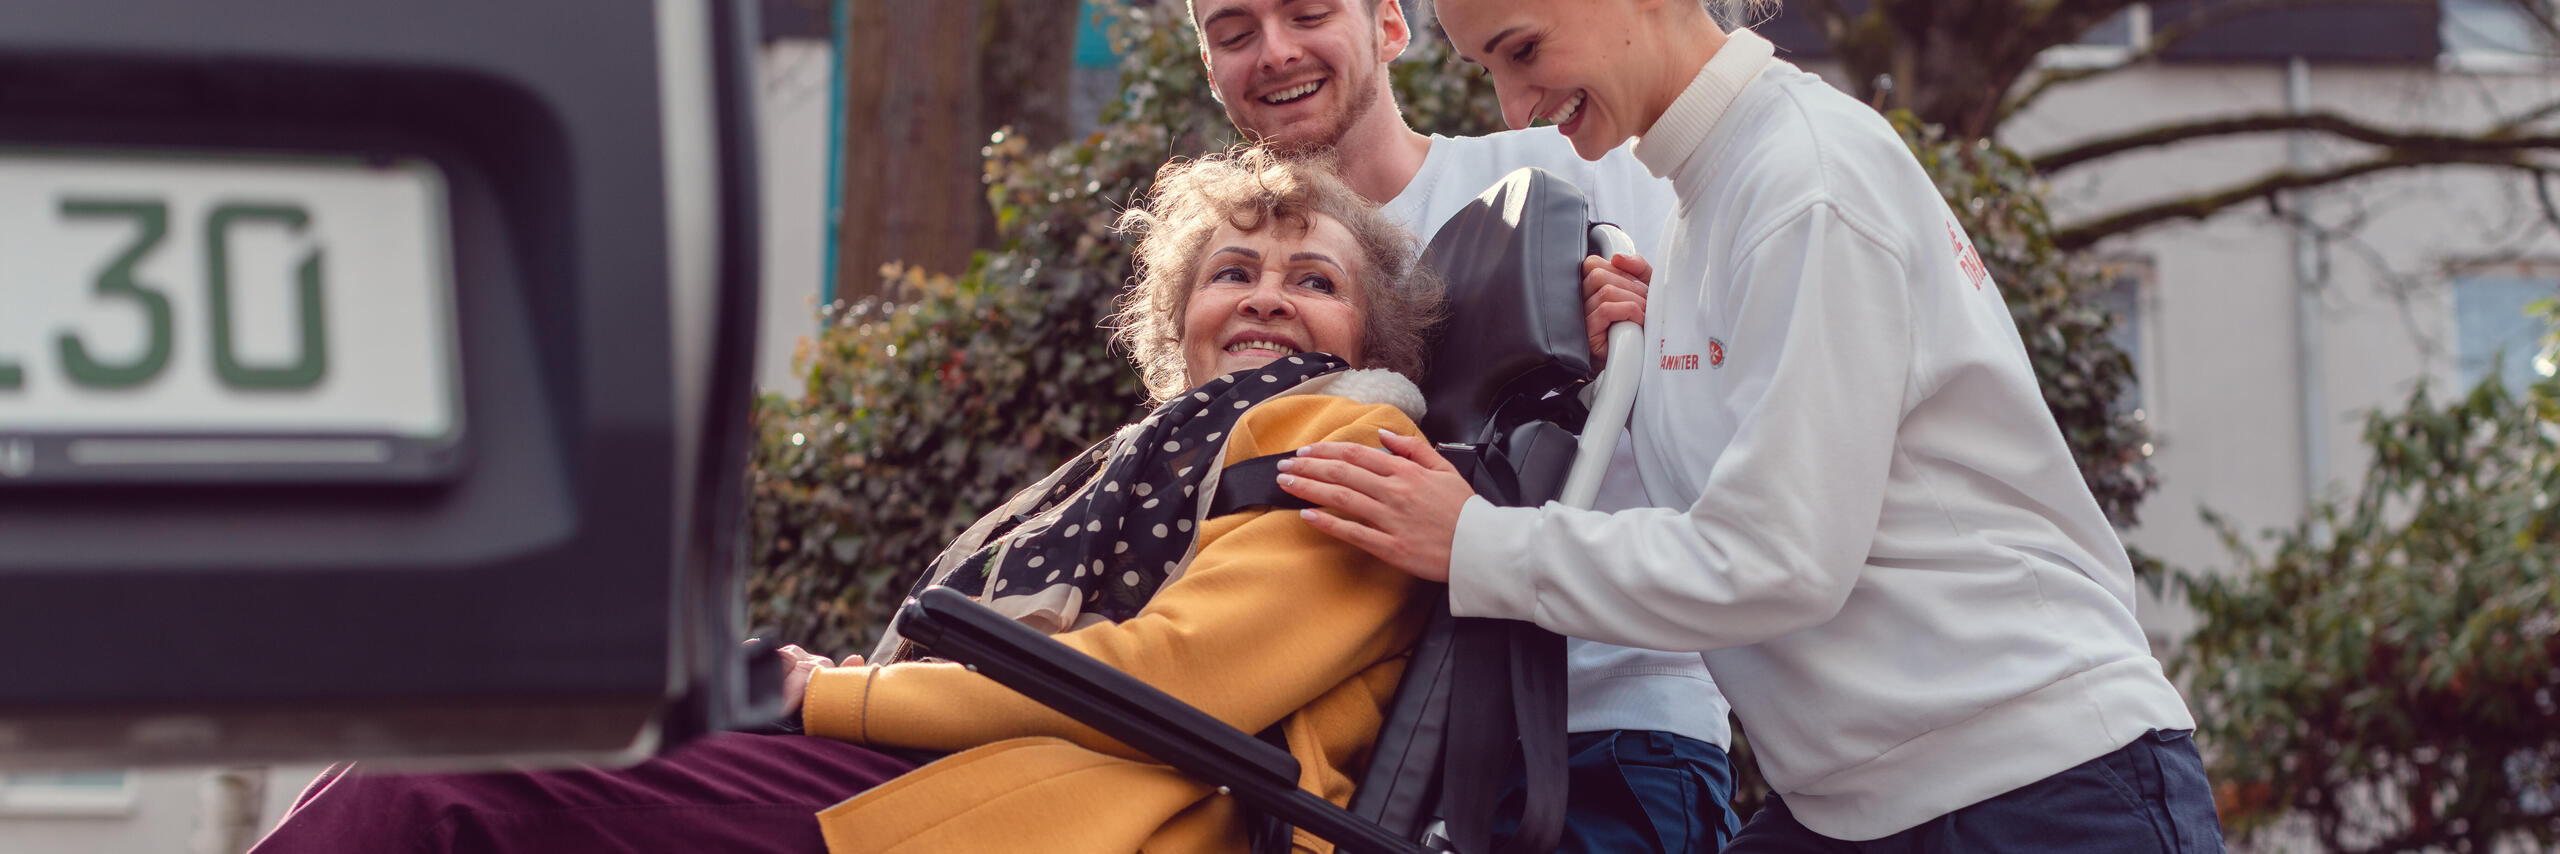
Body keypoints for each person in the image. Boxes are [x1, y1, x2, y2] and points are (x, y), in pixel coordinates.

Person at [248, 146, 1446, 854]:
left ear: (1371, 329)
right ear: (1175, 322)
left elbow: (1183, 682)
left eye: (1313, 279)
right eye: (1230, 271)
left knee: (443, 789)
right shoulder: (1144, 449)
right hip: (969, 771)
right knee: (464, 743)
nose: (1264, 296)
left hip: (1070, 815)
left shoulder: (1349, 434)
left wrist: (829, 695)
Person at [1272, 1, 2228, 852]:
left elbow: (1779, 556)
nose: (1516, 105)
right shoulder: (1707, 203)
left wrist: (1476, 543)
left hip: (2036, 786)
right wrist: (1651, 348)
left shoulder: (1802, 180)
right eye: (1491, 70)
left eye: (1523, 50)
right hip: (1870, 800)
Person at [1188, 1, 1743, 850]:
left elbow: (1747, 392)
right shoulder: (1236, 287)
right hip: (1358, 770)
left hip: (1599, 730)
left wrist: (1658, 330)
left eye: (1307, 13)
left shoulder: (1568, 167)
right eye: (1233, 33)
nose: (1274, 52)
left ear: (1391, 28)